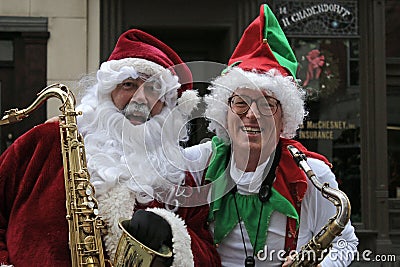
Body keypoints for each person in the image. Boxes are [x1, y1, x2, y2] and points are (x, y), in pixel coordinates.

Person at [0, 29, 220, 266]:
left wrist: (172, 233)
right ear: (107, 91)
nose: (139, 98)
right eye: (128, 84)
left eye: (153, 89)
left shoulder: (179, 175)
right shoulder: (44, 142)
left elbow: (209, 256)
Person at [184, 4, 359, 267]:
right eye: (241, 102)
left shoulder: (312, 173)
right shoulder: (200, 162)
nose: (253, 114)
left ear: (283, 118)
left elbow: (346, 243)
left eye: (267, 103)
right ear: (224, 113)